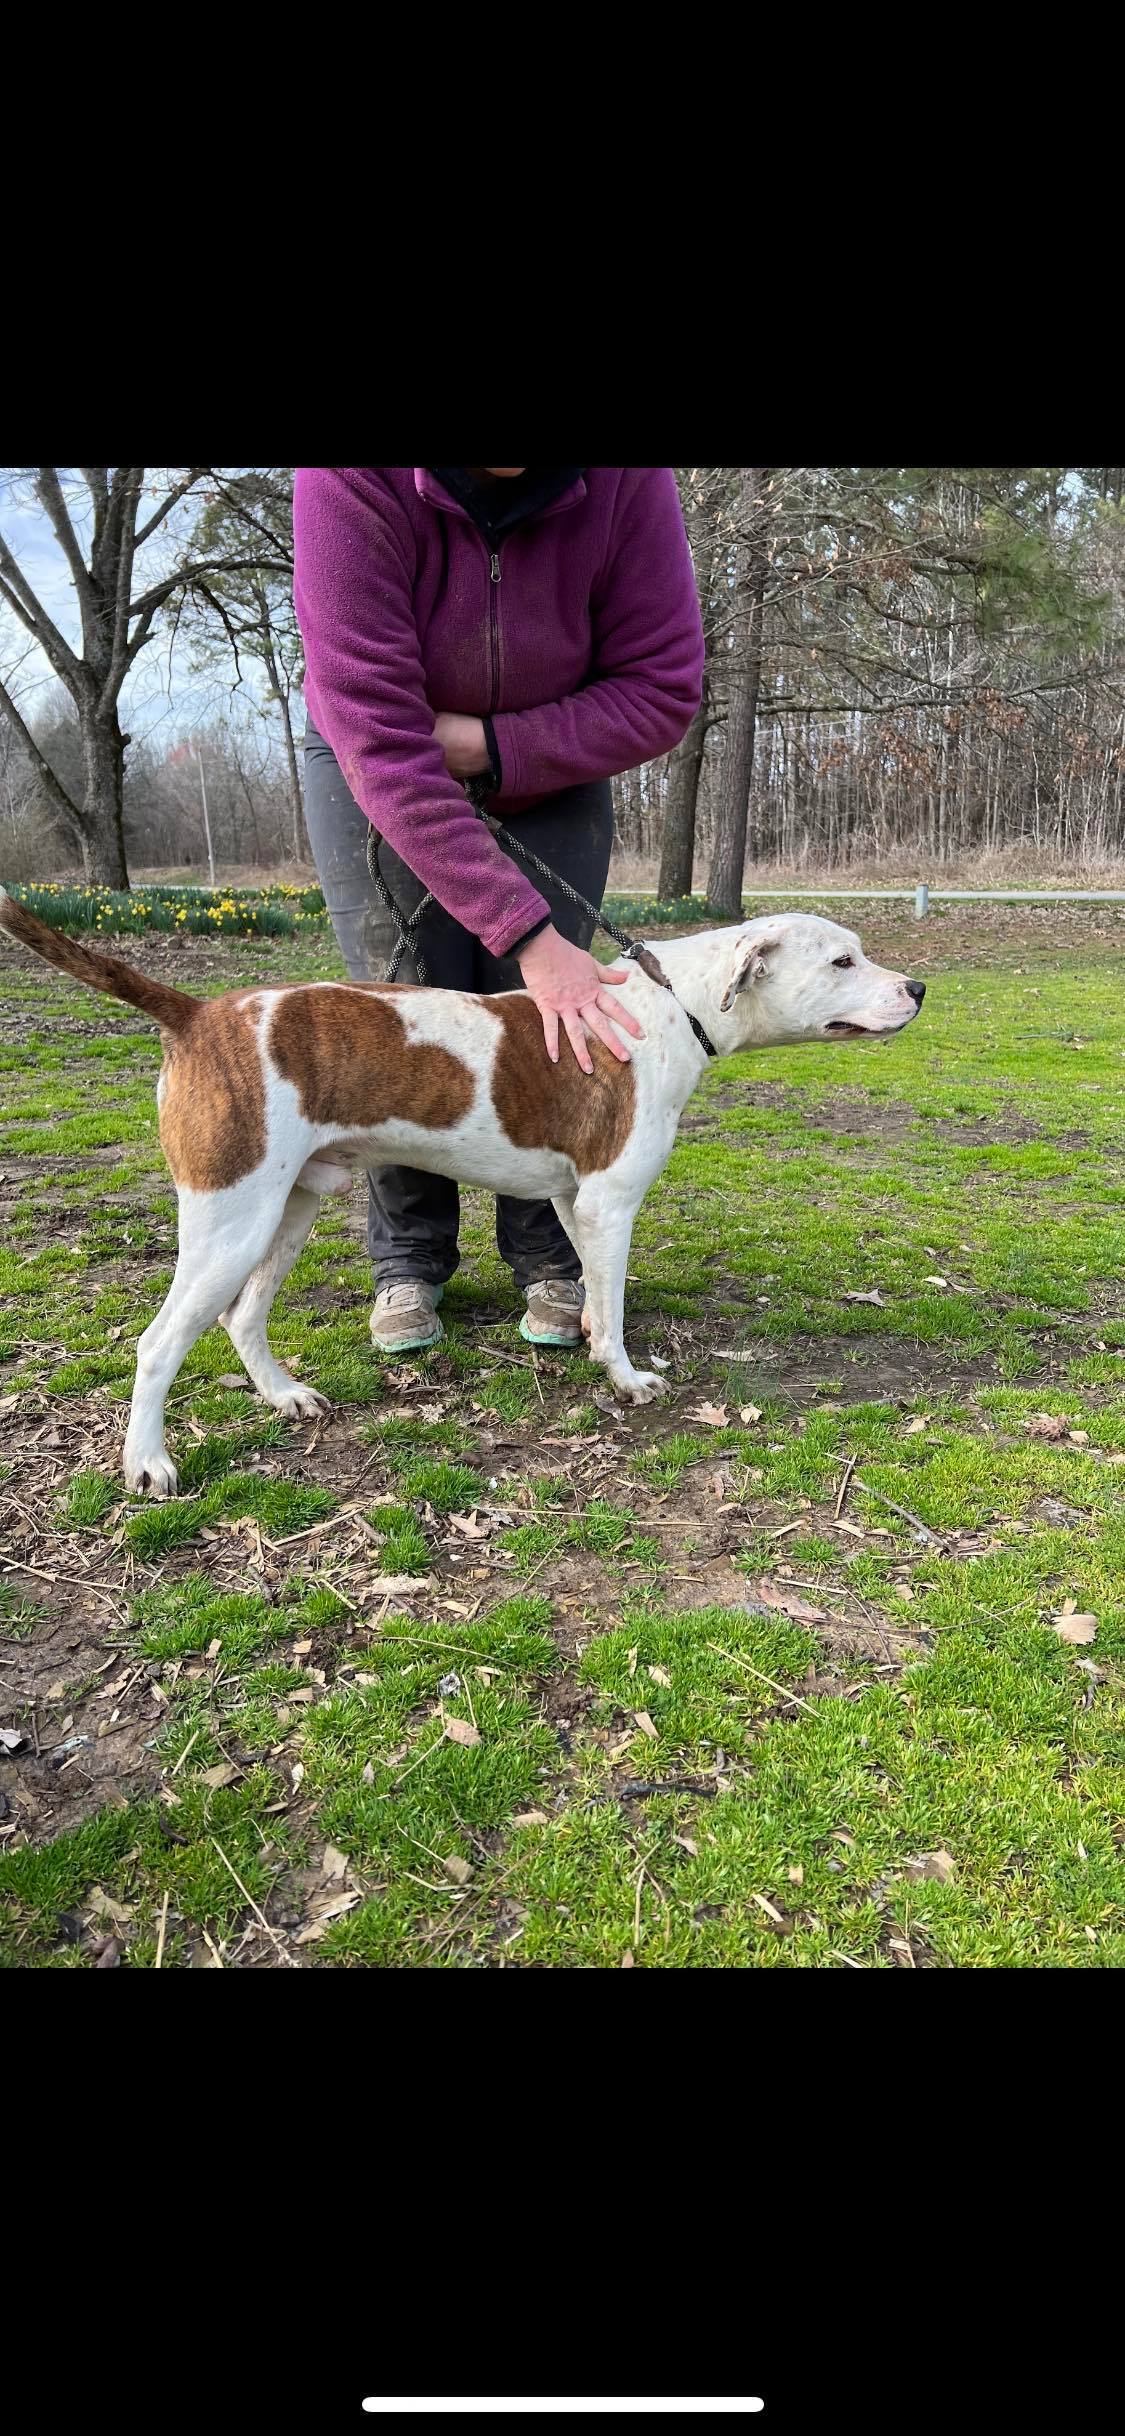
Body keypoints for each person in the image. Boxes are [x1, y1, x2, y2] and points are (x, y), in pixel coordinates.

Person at [293, 466, 705, 1354]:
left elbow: (664, 687)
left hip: (550, 755)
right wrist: (524, 931)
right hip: (384, 754)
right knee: (401, 1011)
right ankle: (408, 1258)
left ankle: (548, 1255)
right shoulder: (347, 479)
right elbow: (373, 723)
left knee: (555, 1018)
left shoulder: (630, 482)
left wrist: (493, 744)